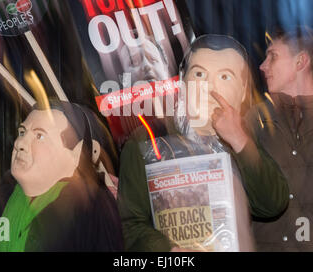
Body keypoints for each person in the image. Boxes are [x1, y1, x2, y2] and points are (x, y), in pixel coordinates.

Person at [117, 34, 290, 252]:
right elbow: (129, 223)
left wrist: (239, 140)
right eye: (199, 74)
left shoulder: (244, 137)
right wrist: (167, 251)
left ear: (243, 90)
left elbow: (273, 204)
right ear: (182, 81)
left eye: (225, 77)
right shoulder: (147, 139)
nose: (209, 88)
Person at [213, 27, 313, 251]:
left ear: (301, 62)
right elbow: (236, 199)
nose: (262, 66)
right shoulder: (255, 121)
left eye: (273, 56)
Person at [0, 102, 123, 251]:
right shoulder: (7, 191)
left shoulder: (91, 204)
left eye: (39, 136)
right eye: (22, 132)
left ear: (76, 152)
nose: (20, 143)